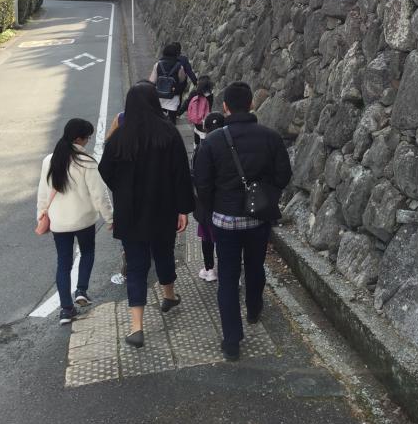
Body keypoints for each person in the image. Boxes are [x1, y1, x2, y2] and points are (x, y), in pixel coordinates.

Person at [194, 82, 292, 361]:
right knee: (255, 265)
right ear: (251, 104)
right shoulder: (270, 137)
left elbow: (202, 183)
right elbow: (283, 175)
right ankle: (254, 309)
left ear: (225, 107)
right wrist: (264, 194)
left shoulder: (212, 142)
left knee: (227, 276)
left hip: (224, 220)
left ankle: (232, 340)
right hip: (257, 219)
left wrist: (213, 207)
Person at [98, 81, 195, 348]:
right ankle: (169, 296)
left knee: (136, 266)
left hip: (130, 212)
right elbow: (181, 173)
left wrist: (122, 189)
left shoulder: (120, 136)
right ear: (155, 101)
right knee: (164, 253)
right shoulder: (169, 133)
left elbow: (105, 170)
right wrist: (183, 208)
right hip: (163, 208)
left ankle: (136, 327)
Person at [36, 118, 113, 325]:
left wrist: (41, 214)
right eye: (87, 138)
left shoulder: (49, 160)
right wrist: (110, 217)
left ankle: (66, 310)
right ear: (78, 139)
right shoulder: (86, 162)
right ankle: (81, 290)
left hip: (59, 223)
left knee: (63, 263)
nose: (88, 141)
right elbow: (99, 194)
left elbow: (43, 192)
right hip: (84, 220)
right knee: (87, 252)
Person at [192, 111, 225, 282]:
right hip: (226, 201)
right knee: (226, 240)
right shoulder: (231, 144)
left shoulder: (202, 147)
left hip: (206, 203)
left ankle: (209, 269)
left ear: (205, 128)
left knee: (207, 238)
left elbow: (197, 177)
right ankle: (228, 270)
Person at [179, 74, 215, 157]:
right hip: (205, 120)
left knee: (197, 133)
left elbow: (187, 103)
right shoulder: (210, 95)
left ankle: (196, 151)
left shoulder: (194, 93)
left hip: (196, 120)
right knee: (202, 135)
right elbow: (209, 107)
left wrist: (178, 113)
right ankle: (201, 151)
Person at [149, 45, 186, 124]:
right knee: (172, 121)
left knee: (159, 120)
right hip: (173, 97)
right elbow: (182, 80)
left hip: (159, 96)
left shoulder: (158, 64)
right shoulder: (179, 66)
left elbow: (151, 81)